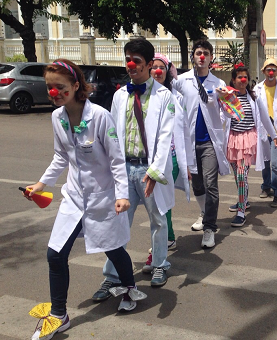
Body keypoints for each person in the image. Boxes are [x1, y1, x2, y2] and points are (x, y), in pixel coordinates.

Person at [25, 59, 146, 340]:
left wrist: (122, 196)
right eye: (49, 87)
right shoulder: (57, 118)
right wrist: (41, 184)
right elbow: (60, 157)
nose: (53, 93)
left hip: (104, 197)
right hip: (74, 198)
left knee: (114, 249)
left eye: (60, 87)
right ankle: (59, 314)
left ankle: (128, 287)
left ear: (76, 86)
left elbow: (117, 160)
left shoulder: (100, 117)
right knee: (55, 254)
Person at [92, 38, 176, 302]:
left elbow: (165, 136)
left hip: (148, 169)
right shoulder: (120, 95)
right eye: (127, 59)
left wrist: (154, 172)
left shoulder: (164, 96)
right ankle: (113, 275)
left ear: (150, 65)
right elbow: (112, 134)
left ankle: (160, 264)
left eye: (137, 61)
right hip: (123, 169)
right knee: (117, 223)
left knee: (158, 219)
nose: (131, 65)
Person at [172, 39, 228, 248]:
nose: (202, 56)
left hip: (209, 143)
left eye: (205, 53)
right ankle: (204, 212)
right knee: (197, 184)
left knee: (211, 184)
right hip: (189, 142)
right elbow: (174, 109)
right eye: (198, 53)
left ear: (211, 58)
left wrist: (225, 100)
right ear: (193, 56)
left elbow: (230, 113)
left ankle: (209, 228)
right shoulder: (182, 81)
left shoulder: (219, 84)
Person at [141, 53, 190, 272]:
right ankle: (168, 238)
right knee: (156, 206)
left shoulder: (176, 96)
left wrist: (188, 163)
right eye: (154, 67)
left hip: (170, 157)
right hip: (146, 158)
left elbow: (184, 130)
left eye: (162, 67)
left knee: (161, 204)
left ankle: (158, 251)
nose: (157, 71)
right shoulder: (141, 95)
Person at [222, 65, 277, 226]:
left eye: (245, 77)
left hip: (248, 139)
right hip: (232, 140)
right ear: (233, 79)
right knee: (237, 176)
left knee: (242, 175)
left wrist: (274, 136)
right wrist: (225, 102)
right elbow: (223, 117)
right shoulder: (228, 97)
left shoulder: (254, 97)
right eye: (239, 77)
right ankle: (244, 201)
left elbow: (265, 119)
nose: (242, 80)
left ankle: (241, 211)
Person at [254, 58, 277, 207]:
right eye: (268, 69)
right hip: (262, 131)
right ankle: (266, 186)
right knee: (265, 162)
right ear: (263, 71)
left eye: (273, 70)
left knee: (275, 163)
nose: (270, 72)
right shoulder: (257, 89)